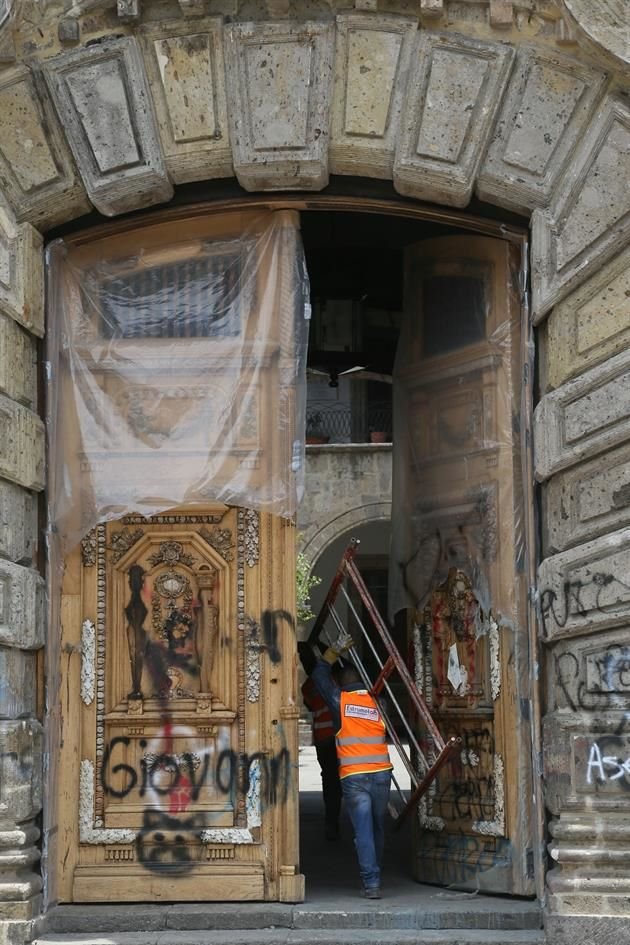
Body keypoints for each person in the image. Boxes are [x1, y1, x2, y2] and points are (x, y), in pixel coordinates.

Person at [310, 632, 392, 899]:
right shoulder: (378, 703)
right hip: (381, 773)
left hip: (355, 777)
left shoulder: (340, 702)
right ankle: (375, 876)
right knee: (378, 827)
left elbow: (319, 678)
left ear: (342, 685)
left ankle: (371, 883)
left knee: (363, 830)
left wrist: (330, 653)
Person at [299, 644, 342, 840]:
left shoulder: (307, 686)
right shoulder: (333, 679)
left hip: (322, 737)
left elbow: (310, 704)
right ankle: (335, 820)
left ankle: (331, 821)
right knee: (340, 780)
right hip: (337, 735)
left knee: (329, 779)